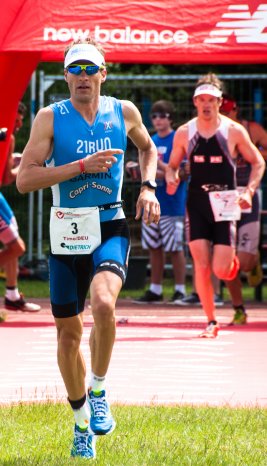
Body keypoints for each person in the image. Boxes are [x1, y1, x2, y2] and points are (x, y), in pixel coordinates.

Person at [16, 37, 160, 460]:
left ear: (103, 73)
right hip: (65, 230)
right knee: (67, 335)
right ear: (65, 76)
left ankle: (98, 388)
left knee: (102, 303)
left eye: (89, 69)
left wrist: (148, 187)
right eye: (74, 70)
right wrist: (80, 166)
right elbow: (24, 179)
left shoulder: (124, 111)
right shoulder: (50, 118)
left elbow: (148, 147)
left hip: (109, 221)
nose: (81, 77)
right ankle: (82, 423)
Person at [166, 73, 265, 338]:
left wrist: (250, 190)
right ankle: (211, 321)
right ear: (195, 102)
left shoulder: (233, 130)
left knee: (222, 269)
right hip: (197, 203)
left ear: (220, 102)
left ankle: (232, 262)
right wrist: (171, 177)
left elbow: (258, 162)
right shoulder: (185, 132)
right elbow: (173, 166)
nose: (207, 104)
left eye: (212, 100)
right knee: (200, 262)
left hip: (225, 202)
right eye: (202, 100)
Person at [133, 100, 187, 304]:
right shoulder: (150, 140)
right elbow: (151, 173)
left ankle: (180, 289)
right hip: (153, 202)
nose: (158, 119)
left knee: (175, 248)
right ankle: (155, 289)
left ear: (171, 118)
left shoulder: (177, 139)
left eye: (162, 115)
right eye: (154, 116)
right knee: (154, 247)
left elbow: (181, 173)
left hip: (172, 204)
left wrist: (159, 169)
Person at [220, 94, 267, 324]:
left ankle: (253, 258)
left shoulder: (251, 129)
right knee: (227, 259)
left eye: (228, 112)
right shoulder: (212, 130)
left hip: (248, 195)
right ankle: (238, 307)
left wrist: (255, 153)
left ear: (236, 111)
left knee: (245, 262)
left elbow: (263, 156)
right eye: (222, 112)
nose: (225, 117)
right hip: (224, 197)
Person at [0, 102, 41, 313]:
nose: (19, 123)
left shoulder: (5, 134)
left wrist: (14, 163)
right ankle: (12, 294)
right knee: (17, 247)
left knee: (13, 236)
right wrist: (25, 167)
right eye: (17, 118)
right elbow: (7, 178)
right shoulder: (7, 136)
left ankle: (12, 294)